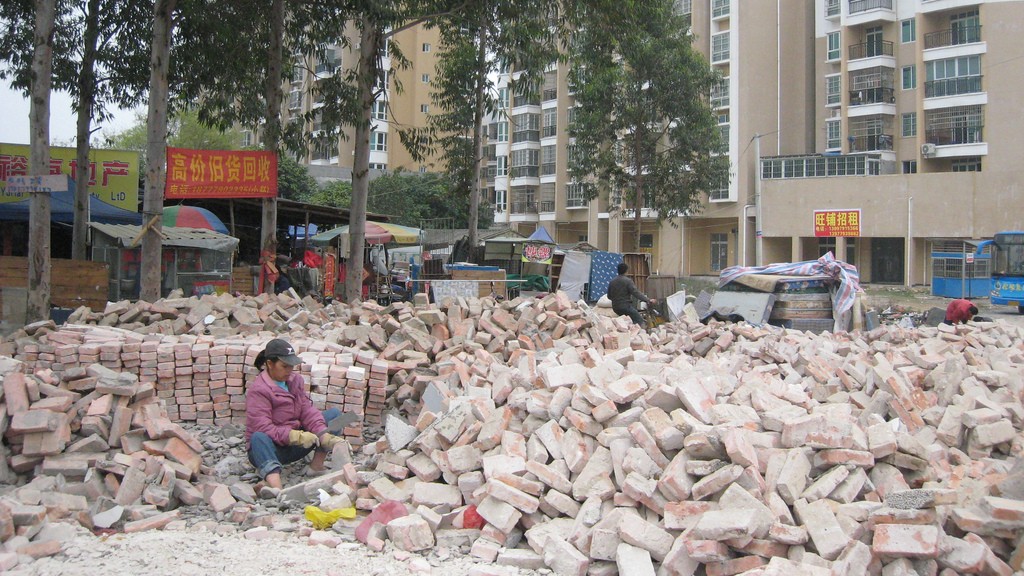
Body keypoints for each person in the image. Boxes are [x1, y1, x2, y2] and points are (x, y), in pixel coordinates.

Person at [245, 338, 343, 491]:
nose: (289, 371)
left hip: (297, 444)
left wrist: (322, 433)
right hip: (272, 449)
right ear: (270, 364)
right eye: (284, 366)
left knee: (336, 416)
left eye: (291, 366)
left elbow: (306, 409)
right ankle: (276, 488)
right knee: (258, 437)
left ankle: (316, 467)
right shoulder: (259, 390)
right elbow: (263, 427)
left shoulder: (294, 380)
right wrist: (294, 436)